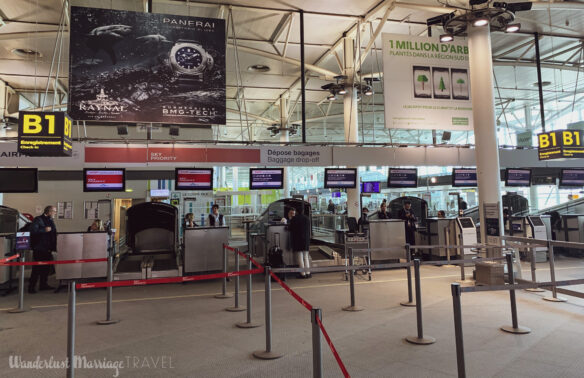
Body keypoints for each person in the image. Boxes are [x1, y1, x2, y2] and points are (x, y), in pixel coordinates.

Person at [29, 205, 57, 293]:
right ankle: (31, 287)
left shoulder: (50, 220)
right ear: (48, 212)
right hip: (39, 248)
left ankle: (43, 285)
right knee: (36, 269)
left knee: (45, 268)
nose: (55, 213)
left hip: (48, 248)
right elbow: (33, 231)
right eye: (54, 211)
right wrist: (44, 230)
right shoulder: (38, 219)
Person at [288, 205, 311, 278]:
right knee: (306, 257)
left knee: (300, 257)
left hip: (298, 240)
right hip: (306, 240)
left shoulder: (294, 219)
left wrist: (290, 219)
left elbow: (290, 228)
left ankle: (302, 274)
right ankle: (308, 273)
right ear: (303, 211)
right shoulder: (307, 219)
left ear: (297, 212)